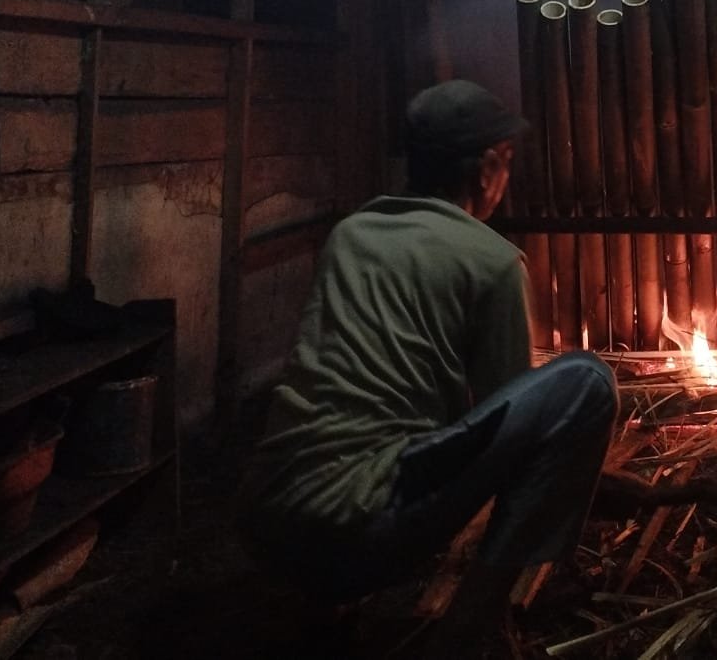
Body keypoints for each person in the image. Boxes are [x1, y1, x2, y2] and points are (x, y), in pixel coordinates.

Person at [238, 79, 617, 649]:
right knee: (586, 381)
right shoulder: (492, 261)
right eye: (507, 164)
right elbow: (510, 435)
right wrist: (584, 476)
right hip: (361, 528)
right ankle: (471, 622)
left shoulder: (350, 234)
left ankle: (326, 605)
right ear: (489, 167)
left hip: (266, 519)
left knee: (364, 433)